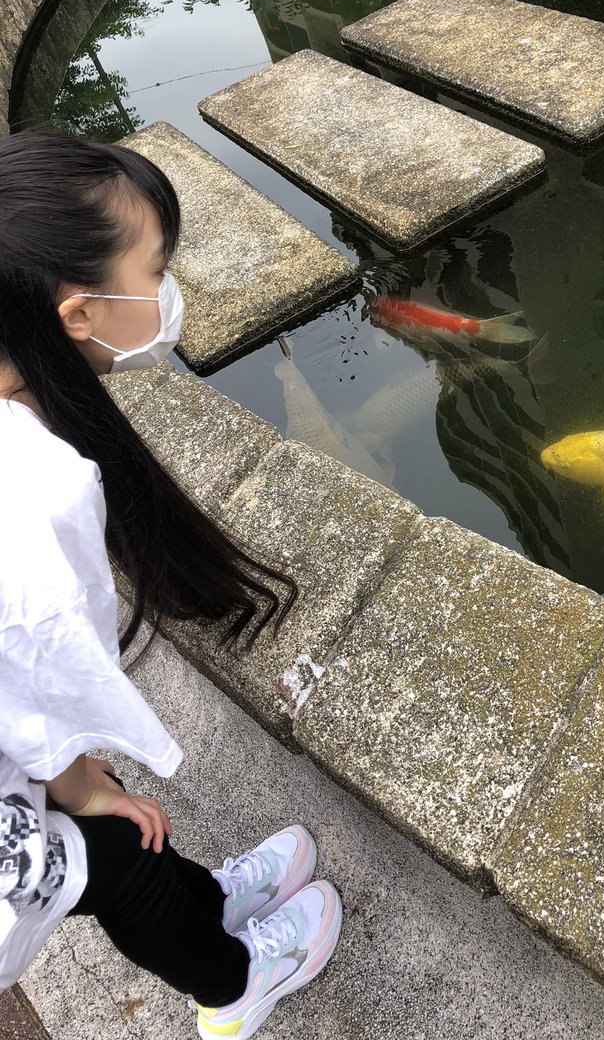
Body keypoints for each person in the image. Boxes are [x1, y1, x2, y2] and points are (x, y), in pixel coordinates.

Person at [0, 130, 343, 1040]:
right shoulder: (30, 490)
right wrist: (80, 787)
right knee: (115, 852)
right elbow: (36, 681)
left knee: (123, 832)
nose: (168, 288)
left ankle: (211, 904)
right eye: (157, 269)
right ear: (77, 314)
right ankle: (232, 989)